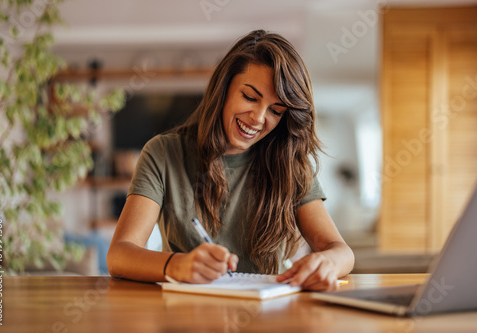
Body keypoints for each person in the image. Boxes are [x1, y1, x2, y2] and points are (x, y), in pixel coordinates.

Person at [107, 29, 354, 291]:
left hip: (271, 312)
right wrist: (178, 265)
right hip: (188, 312)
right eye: (249, 97)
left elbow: (341, 251)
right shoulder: (163, 154)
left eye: (276, 110)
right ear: (223, 89)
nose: (258, 118)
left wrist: (326, 262)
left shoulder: (291, 164)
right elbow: (120, 255)